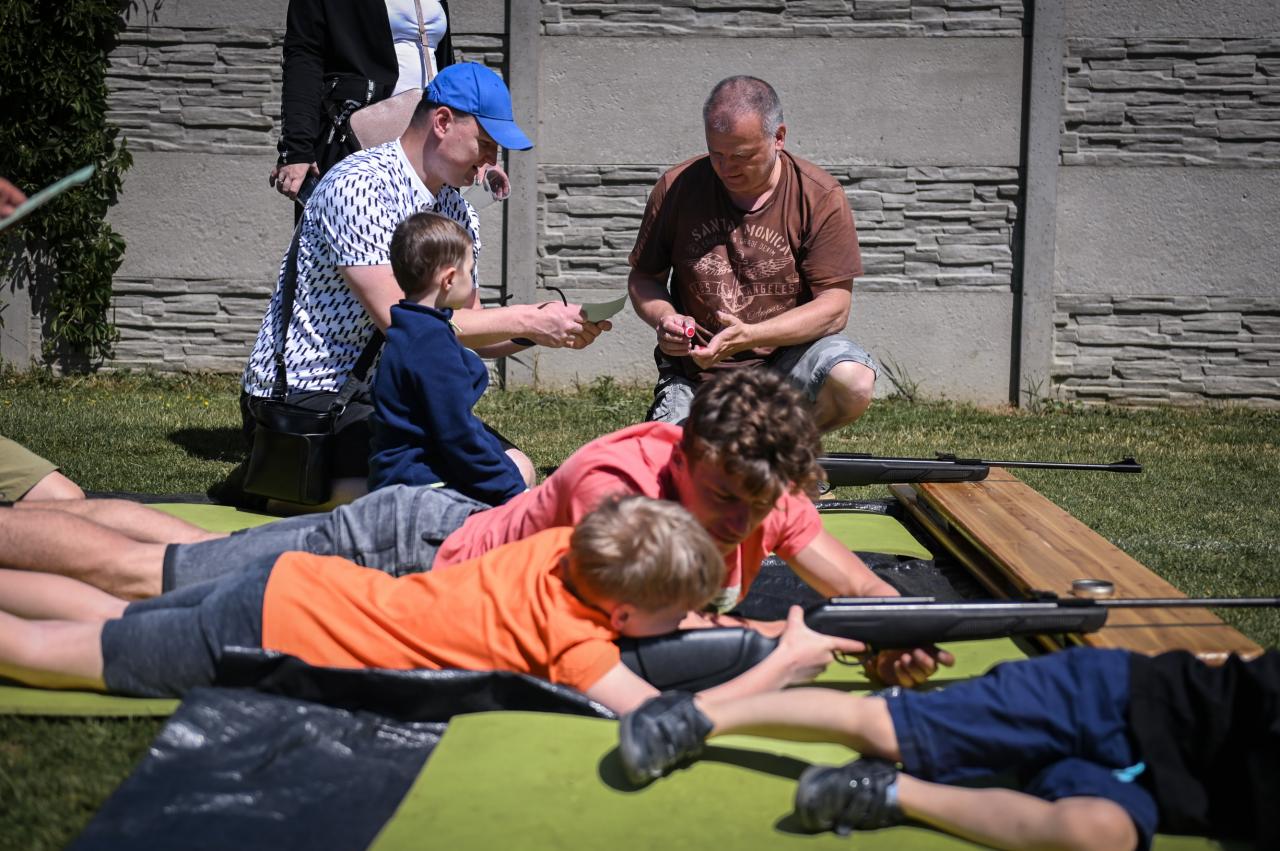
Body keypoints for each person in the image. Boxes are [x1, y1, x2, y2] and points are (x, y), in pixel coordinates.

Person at [0, 371, 948, 686]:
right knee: (154, 576)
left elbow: (858, 585)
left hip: (432, 556)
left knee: (175, 552)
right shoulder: (618, 485)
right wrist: (789, 643)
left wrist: (895, 631)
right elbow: (649, 634)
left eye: (759, 506)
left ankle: (47, 510)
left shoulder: (758, 481)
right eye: (725, 498)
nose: (744, 522)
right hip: (401, 551)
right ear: (685, 450)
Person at [0, 496, 869, 716]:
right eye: (675, 613)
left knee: (112, 619)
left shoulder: (556, 550)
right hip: (267, 633)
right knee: (49, 656)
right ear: (622, 616)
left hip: (292, 585)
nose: (682, 624)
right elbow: (660, 721)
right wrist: (785, 664)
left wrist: (760, 629)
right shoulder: (574, 642)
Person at [242, 62, 608, 506]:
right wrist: (527, 319)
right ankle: (289, 494)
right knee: (460, 493)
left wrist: (544, 327)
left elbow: (468, 326)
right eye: (486, 144)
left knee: (516, 468)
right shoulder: (359, 186)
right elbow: (403, 322)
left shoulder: (457, 210)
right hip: (309, 402)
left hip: (389, 399)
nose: (491, 163)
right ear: (443, 122)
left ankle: (332, 495)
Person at [617, 647, 1280, 850]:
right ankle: (696, 717)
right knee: (887, 728)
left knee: (1096, 836)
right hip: (1107, 695)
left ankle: (888, 794)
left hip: (1155, 790)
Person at [628, 76, 877, 433]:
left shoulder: (818, 195)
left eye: (742, 156)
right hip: (697, 376)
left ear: (778, 137)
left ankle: (783, 447)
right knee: (674, 464)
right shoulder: (676, 187)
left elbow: (835, 308)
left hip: (785, 366)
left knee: (852, 380)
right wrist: (665, 318)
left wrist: (751, 335)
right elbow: (644, 277)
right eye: (716, 154)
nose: (726, 168)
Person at [367, 210, 530, 503]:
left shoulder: (408, 328)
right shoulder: (431, 343)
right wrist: (514, 492)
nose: (472, 278)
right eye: (470, 270)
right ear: (450, 279)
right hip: (424, 490)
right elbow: (458, 435)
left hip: (400, 481)